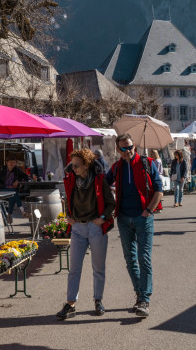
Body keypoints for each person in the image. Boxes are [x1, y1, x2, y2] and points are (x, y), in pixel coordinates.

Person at [106, 133, 163, 317]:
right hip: (123, 218)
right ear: (118, 149)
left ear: (134, 146)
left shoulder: (147, 163)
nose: (127, 151)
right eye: (123, 148)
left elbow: (159, 190)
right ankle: (140, 294)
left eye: (129, 147)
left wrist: (148, 211)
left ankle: (144, 299)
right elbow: (102, 184)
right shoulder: (116, 167)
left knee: (143, 257)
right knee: (130, 259)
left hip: (143, 217)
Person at [56, 148, 116, 320]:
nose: (73, 168)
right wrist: (68, 215)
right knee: (74, 269)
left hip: (95, 227)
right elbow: (67, 198)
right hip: (78, 229)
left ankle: (98, 300)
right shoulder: (72, 180)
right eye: (72, 165)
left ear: (86, 165)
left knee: (98, 268)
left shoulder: (99, 180)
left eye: (77, 165)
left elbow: (111, 203)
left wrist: (102, 218)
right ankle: (70, 304)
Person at [0, 157, 30, 224]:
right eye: (10, 162)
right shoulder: (2, 170)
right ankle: (22, 211)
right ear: (7, 162)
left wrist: (18, 181)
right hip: (3, 189)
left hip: (12, 190)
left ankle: (10, 215)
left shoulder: (17, 170)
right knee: (14, 194)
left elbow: (26, 177)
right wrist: (5, 186)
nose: (12, 164)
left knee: (12, 197)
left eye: (14, 162)